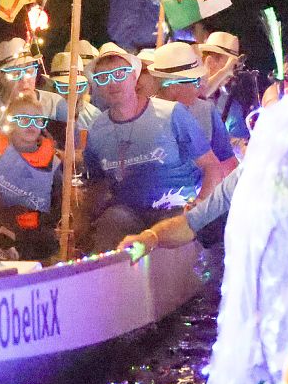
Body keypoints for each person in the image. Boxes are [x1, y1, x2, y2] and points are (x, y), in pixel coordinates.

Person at [83, 43, 223, 254]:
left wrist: (201, 204)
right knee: (111, 221)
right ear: (97, 85)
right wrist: (82, 221)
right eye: (103, 77)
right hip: (126, 215)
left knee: (173, 226)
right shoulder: (97, 129)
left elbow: (211, 165)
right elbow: (97, 183)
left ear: (134, 77)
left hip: (175, 211)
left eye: (120, 74)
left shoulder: (172, 114)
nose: (112, 82)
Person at [0, 93, 62, 261]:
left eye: (37, 120)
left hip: (39, 231)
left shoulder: (51, 159)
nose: (31, 125)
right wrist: (3, 227)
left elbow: (56, 199)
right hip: (5, 228)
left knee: (47, 242)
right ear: (10, 123)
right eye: (24, 120)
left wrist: (44, 228)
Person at [0, 38, 99, 140]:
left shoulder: (56, 104)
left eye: (29, 71)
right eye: (15, 73)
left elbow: (76, 147)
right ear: (1, 76)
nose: (24, 79)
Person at [149, 42, 238, 175]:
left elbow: (228, 162)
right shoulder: (144, 116)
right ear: (173, 86)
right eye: (195, 81)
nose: (200, 86)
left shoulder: (207, 111)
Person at [198, 31, 252, 139]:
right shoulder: (188, 87)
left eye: (234, 66)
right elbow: (201, 94)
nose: (232, 73)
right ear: (210, 61)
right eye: (229, 65)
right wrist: (225, 71)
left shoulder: (229, 103)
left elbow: (239, 137)